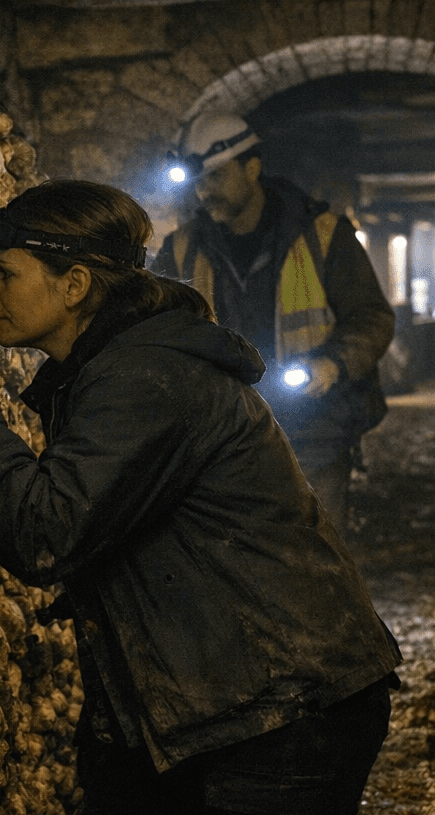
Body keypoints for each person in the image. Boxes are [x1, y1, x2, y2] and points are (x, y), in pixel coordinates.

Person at [0, 179, 400, 815]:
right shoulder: (112, 368)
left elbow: (45, 529)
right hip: (199, 704)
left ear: (74, 285)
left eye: (6, 273)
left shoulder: (148, 379)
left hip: (282, 713)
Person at [152, 113, 394, 530]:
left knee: (317, 560)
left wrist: (332, 364)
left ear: (252, 168)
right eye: (199, 181)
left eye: (215, 177)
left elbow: (371, 317)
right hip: (222, 437)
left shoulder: (323, 235)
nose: (204, 191)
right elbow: (155, 331)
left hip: (314, 431)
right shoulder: (182, 249)